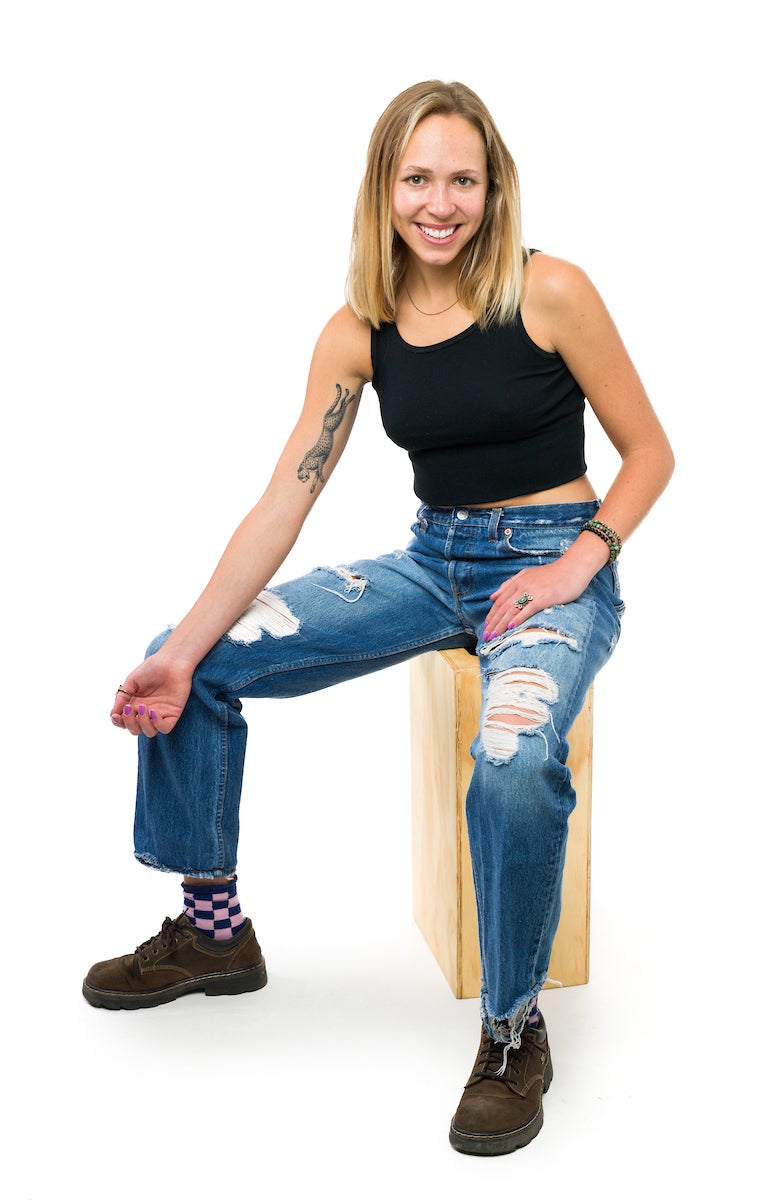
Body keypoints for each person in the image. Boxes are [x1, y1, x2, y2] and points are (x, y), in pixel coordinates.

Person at [83, 80, 674, 1156]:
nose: (437, 203)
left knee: (508, 757)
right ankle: (214, 932)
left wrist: (581, 560)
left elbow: (650, 453)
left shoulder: (550, 290)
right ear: (383, 188)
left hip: (552, 561)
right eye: (416, 178)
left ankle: (511, 1028)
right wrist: (178, 647)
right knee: (190, 659)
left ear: (492, 188)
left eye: (461, 179)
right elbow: (286, 499)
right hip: (430, 562)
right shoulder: (361, 326)